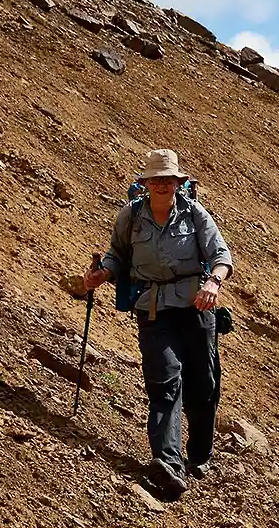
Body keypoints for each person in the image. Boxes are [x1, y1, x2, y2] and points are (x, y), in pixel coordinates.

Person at [82, 148, 233, 497]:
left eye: (169, 179)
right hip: (152, 311)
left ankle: (198, 454)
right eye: (156, 180)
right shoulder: (131, 216)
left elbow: (221, 255)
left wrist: (213, 282)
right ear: (147, 183)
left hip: (197, 308)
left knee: (203, 384)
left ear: (178, 183)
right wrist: (102, 274)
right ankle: (168, 462)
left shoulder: (195, 214)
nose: (163, 185)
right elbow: (117, 255)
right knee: (164, 382)